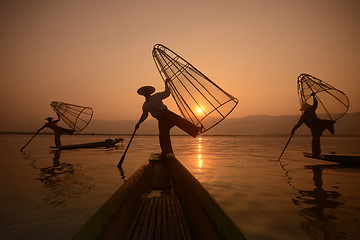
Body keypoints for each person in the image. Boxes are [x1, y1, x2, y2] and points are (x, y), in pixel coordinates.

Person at [135, 79, 202, 157]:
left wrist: (166, 84)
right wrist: (138, 123)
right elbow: (144, 116)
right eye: (145, 93)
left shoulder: (156, 96)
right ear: (143, 94)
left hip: (167, 114)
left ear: (149, 93)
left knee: (180, 121)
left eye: (147, 92)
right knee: (163, 135)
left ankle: (196, 130)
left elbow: (167, 93)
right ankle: (166, 152)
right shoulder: (145, 105)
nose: (146, 94)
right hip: (160, 119)